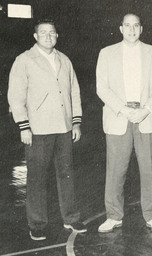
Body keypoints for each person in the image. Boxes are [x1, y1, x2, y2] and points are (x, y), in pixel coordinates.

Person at [8, 19, 87, 240]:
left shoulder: (64, 60)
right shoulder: (24, 60)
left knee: (66, 174)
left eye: (52, 33)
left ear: (57, 36)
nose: (48, 36)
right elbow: (15, 96)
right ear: (35, 37)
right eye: (43, 33)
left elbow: (74, 92)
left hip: (63, 127)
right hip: (37, 129)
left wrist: (76, 122)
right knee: (37, 178)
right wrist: (24, 126)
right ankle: (37, 223)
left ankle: (71, 218)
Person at [96, 13, 152, 233]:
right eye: (127, 26)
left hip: (147, 117)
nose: (132, 30)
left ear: (141, 29)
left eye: (136, 25)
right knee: (115, 170)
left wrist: (146, 110)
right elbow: (102, 88)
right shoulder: (106, 53)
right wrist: (124, 109)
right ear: (120, 29)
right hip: (118, 117)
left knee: (149, 169)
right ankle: (114, 216)